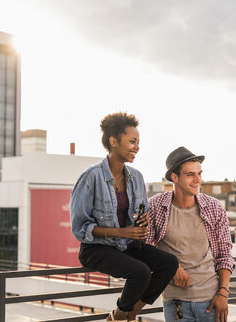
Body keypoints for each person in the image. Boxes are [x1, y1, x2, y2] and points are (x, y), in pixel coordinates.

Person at [70, 112, 178, 322]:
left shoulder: (136, 177)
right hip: (97, 248)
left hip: (127, 245)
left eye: (138, 142)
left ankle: (130, 314)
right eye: (132, 141)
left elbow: (140, 211)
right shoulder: (90, 177)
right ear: (113, 141)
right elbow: (80, 228)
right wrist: (121, 231)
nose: (137, 146)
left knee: (169, 263)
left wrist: (142, 221)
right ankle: (118, 318)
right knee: (141, 272)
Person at [146, 147, 234, 322]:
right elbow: (145, 247)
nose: (197, 180)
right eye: (190, 174)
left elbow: (225, 254)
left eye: (199, 174)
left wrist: (223, 293)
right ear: (174, 177)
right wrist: (172, 266)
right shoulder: (155, 206)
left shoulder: (214, 207)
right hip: (175, 302)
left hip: (211, 301)